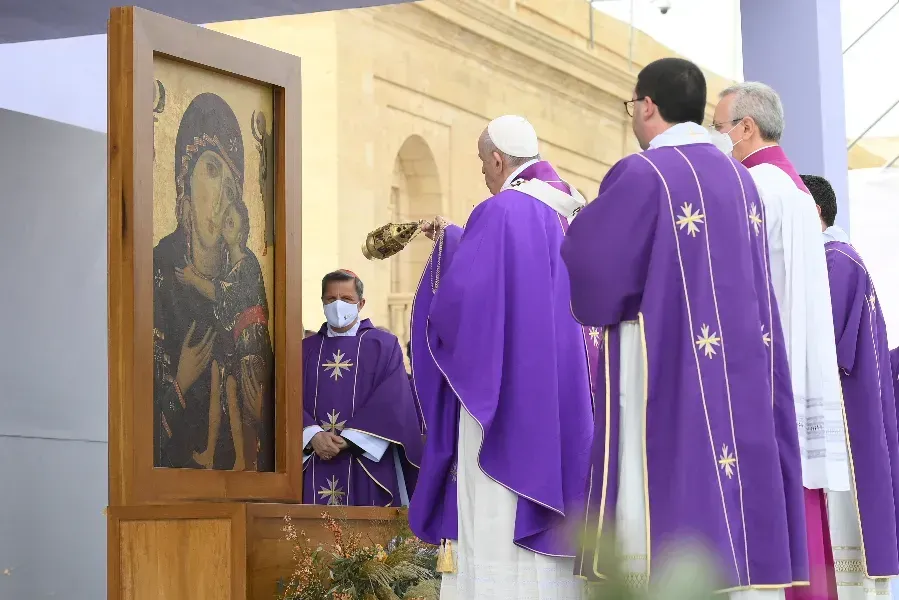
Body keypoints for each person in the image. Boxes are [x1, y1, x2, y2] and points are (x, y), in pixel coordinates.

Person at [562, 58, 807, 596]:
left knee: (653, 498)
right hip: (737, 375)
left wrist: (576, 221)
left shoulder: (642, 173)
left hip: (660, 367)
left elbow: (595, 272)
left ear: (647, 105)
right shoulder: (740, 180)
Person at [408, 114, 595, 600]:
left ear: (497, 158)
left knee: (494, 509)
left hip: (503, 397)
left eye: (481, 162)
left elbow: (462, 304)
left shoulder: (501, 211)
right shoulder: (574, 212)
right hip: (564, 396)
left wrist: (449, 242)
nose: (483, 175)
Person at [713, 82, 850, 600]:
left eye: (720, 126)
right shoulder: (793, 191)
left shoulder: (754, 189)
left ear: (746, 128)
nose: (717, 136)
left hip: (760, 376)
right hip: (797, 370)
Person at [152, 92, 275, 472]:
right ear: (184, 180)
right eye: (210, 169)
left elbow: (258, 359)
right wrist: (181, 379)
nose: (221, 194)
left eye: (230, 179)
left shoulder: (243, 274)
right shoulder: (160, 268)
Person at [801, 174, 899, 599]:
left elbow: (819, 342)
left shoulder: (835, 261)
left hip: (842, 418)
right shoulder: (842, 258)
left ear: (814, 212)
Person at [302, 269, 422, 507]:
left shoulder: (383, 346)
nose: (338, 305)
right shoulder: (304, 350)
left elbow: (391, 400)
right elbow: (286, 399)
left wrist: (350, 439)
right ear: (322, 302)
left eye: (346, 299)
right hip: (313, 457)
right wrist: (311, 434)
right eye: (330, 299)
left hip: (365, 463)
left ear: (361, 303)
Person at [176, 199, 272, 472]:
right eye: (223, 221)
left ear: (242, 233)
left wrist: (194, 280)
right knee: (223, 385)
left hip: (250, 339)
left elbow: (226, 296)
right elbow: (221, 291)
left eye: (231, 223)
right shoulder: (230, 265)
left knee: (246, 394)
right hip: (235, 336)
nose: (224, 227)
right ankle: (215, 453)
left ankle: (250, 459)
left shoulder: (248, 262)